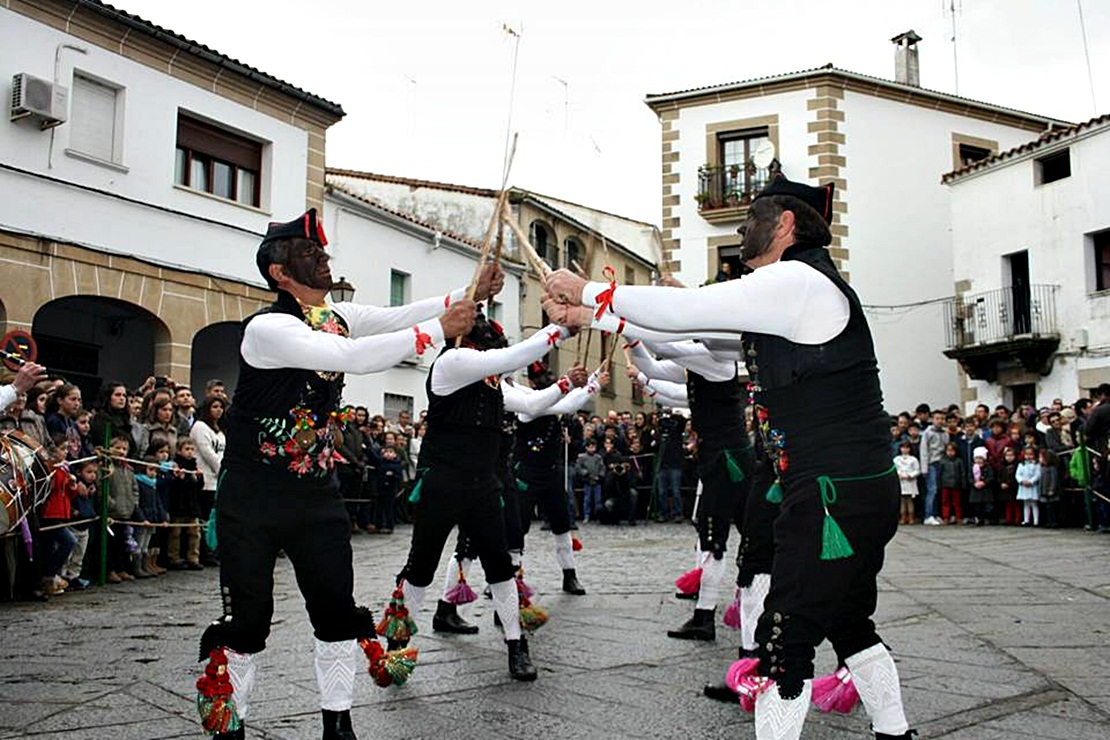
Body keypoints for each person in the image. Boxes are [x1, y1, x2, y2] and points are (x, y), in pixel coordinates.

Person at [543, 175, 913, 740]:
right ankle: (896, 732)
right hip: (841, 489)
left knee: (784, 642)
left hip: (831, 495)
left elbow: (693, 309)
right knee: (848, 620)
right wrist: (594, 316)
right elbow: (697, 325)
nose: (743, 229)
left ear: (785, 223)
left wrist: (590, 290)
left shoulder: (797, 280)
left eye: (753, 218)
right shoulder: (792, 290)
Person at [196, 208, 484, 740]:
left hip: (314, 493)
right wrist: (435, 331)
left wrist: (464, 295)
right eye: (310, 254)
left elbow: (393, 316)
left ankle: (338, 722)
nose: (324, 260)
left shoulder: (336, 313)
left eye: (323, 253)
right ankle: (230, 725)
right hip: (253, 497)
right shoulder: (268, 327)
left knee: (335, 608)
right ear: (279, 272)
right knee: (249, 620)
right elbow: (346, 355)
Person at [395, 311, 578, 680]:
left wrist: (566, 385)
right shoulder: (452, 361)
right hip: (442, 484)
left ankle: (516, 646)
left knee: (500, 565)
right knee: (421, 567)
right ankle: (398, 647)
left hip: (482, 486)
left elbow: (531, 405)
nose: (497, 341)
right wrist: (558, 329)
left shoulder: (493, 383)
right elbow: (510, 358)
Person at [920, 410, 948, 526]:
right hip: (931, 463)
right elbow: (924, 450)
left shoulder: (945, 433)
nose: (940, 421)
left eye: (942, 418)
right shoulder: (928, 433)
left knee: (939, 490)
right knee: (932, 490)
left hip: (942, 463)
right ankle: (928, 515)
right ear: (933, 419)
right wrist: (924, 468)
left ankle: (936, 514)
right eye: (937, 418)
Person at [576, 439, 605, 523]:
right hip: (587, 481)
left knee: (598, 500)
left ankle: (598, 516)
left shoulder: (598, 457)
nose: (592, 449)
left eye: (594, 447)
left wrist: (600, 476)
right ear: (586, 448)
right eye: (590, 447)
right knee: (587, 499)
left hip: (597, 481)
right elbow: (578, 467)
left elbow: (602, 467)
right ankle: (586, 515)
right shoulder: (582, 457)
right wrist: (586, 474)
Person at [893, 441, 919, 525]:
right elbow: (894, 469)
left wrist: (910, 475)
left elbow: (917, 470)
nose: (905, 450)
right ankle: (903, 517)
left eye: (907, 448)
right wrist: (899, 475)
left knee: (910, 501)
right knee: (902, 501)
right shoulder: (896, 459)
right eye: (903, 448)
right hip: (900, 481)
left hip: (910, 482)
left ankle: (911, 517)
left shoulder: (913, 459)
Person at [1015, 446, 1041, 527]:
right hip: (1023, 486)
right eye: (1027, 454)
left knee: (1034, 504)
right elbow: (1017, 474)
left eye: (1031, 454)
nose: (1028, 456)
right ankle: (1026, 520)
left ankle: (1036, 521)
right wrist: (1022, 481)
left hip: (1032, 486)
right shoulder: (1021, 464)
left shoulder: (1036, 464)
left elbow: (1038, 474)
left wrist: (1031, 481)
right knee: (1026, 504)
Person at [968, 448, 994, 526]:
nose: (978, 460)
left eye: (980, 458)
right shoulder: (973, 468)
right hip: (975, 490)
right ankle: (978, 518)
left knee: (986, 506)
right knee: (977, 507)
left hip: (985, 490)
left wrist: (984, 482)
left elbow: (990, 477)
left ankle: (986, 518)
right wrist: (974, 483)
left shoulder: (988, 467)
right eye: (977, 458)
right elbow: (969, 478)